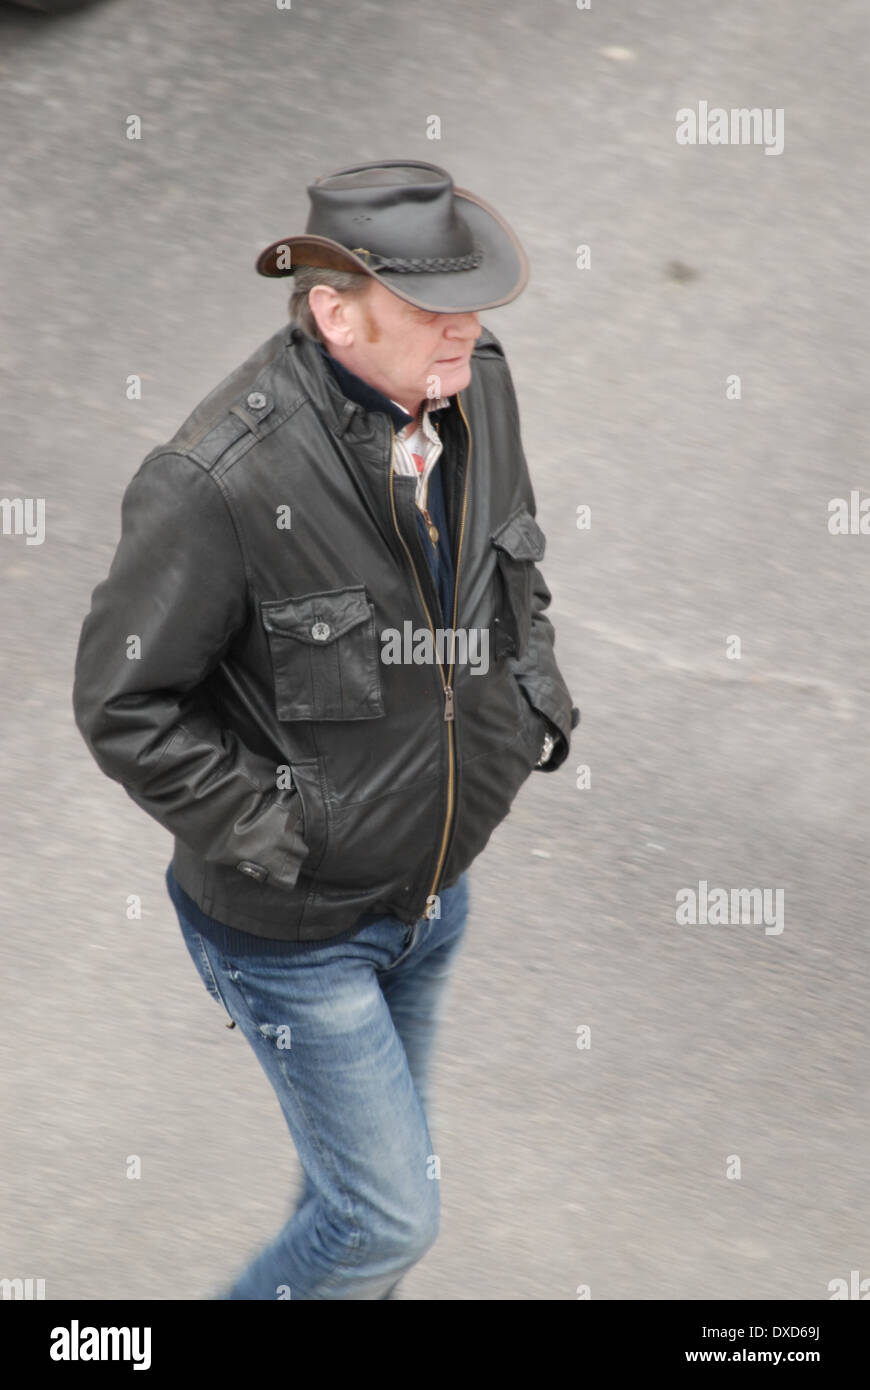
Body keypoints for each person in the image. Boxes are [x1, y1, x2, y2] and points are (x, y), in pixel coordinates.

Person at [72, 159, 580, 1300]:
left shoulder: (477, 385)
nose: (465, 336)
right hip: (295, 936)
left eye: (473, 311)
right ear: (333, 309)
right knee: (385, 1222)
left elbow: (517, 568)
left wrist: (529, 694)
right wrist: (288, 832)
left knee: (347, 1198)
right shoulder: (219, 482)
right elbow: (124, 701)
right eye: (433, 314)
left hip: (434, 891)